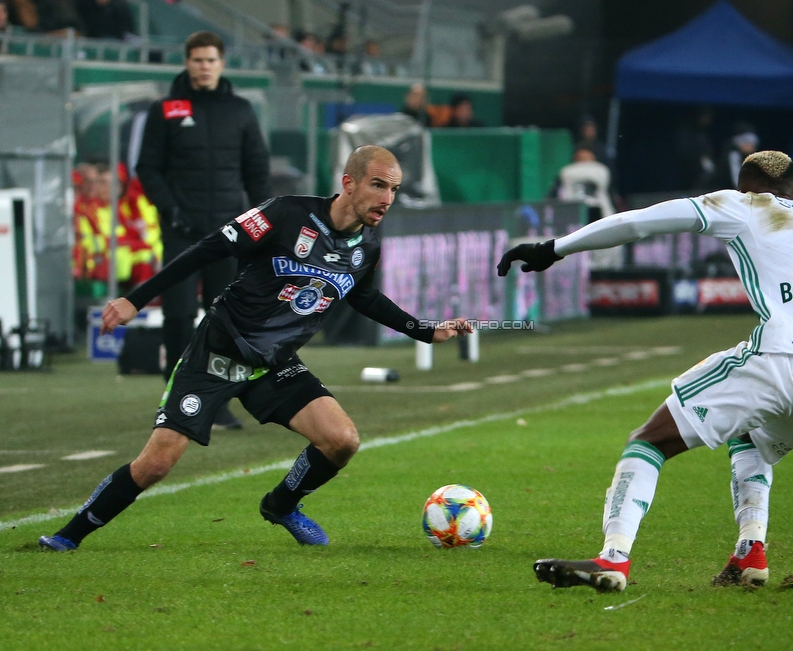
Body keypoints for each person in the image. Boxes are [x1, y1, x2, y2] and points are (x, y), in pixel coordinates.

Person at [498, 150, 793, 592]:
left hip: (783, 360)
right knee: (750, 435)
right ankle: (749, 554)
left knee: (649, 440)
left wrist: (555, 247)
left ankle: (612, 560)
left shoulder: (742, 205)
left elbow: (639, 222)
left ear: (745, 188)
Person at [39, 145, 472, 553]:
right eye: (379, 184)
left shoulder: (367, 248)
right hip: (218, 352)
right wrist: (135, 298)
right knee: (155, 464)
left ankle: (281, 505)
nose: (388, 197)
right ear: (349, 183)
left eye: (394, 189)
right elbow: (208, 249)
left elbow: (363, 297)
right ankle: (68, 536)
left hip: (273, 364)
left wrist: (424, 330)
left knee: (341, 441)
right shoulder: (286, 213)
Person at [136, 31, 271, 430]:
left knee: (224, 318)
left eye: (211, 60)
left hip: (229, 233)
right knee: (178, 315)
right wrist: (170, 211)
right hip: (182, 230)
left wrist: (260, 223)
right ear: (187, 62)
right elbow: (147, 168)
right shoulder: (165, 110)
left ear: (221, 63)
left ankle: (215, 401)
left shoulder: (241, 110)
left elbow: (257, 172)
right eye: (197, 60)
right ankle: (174, 399)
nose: (204, 66)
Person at [713, 121, 759, 190]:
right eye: (747, 142)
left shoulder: (749, 157)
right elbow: (736, 180)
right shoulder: (733, 155)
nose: (751, 145)